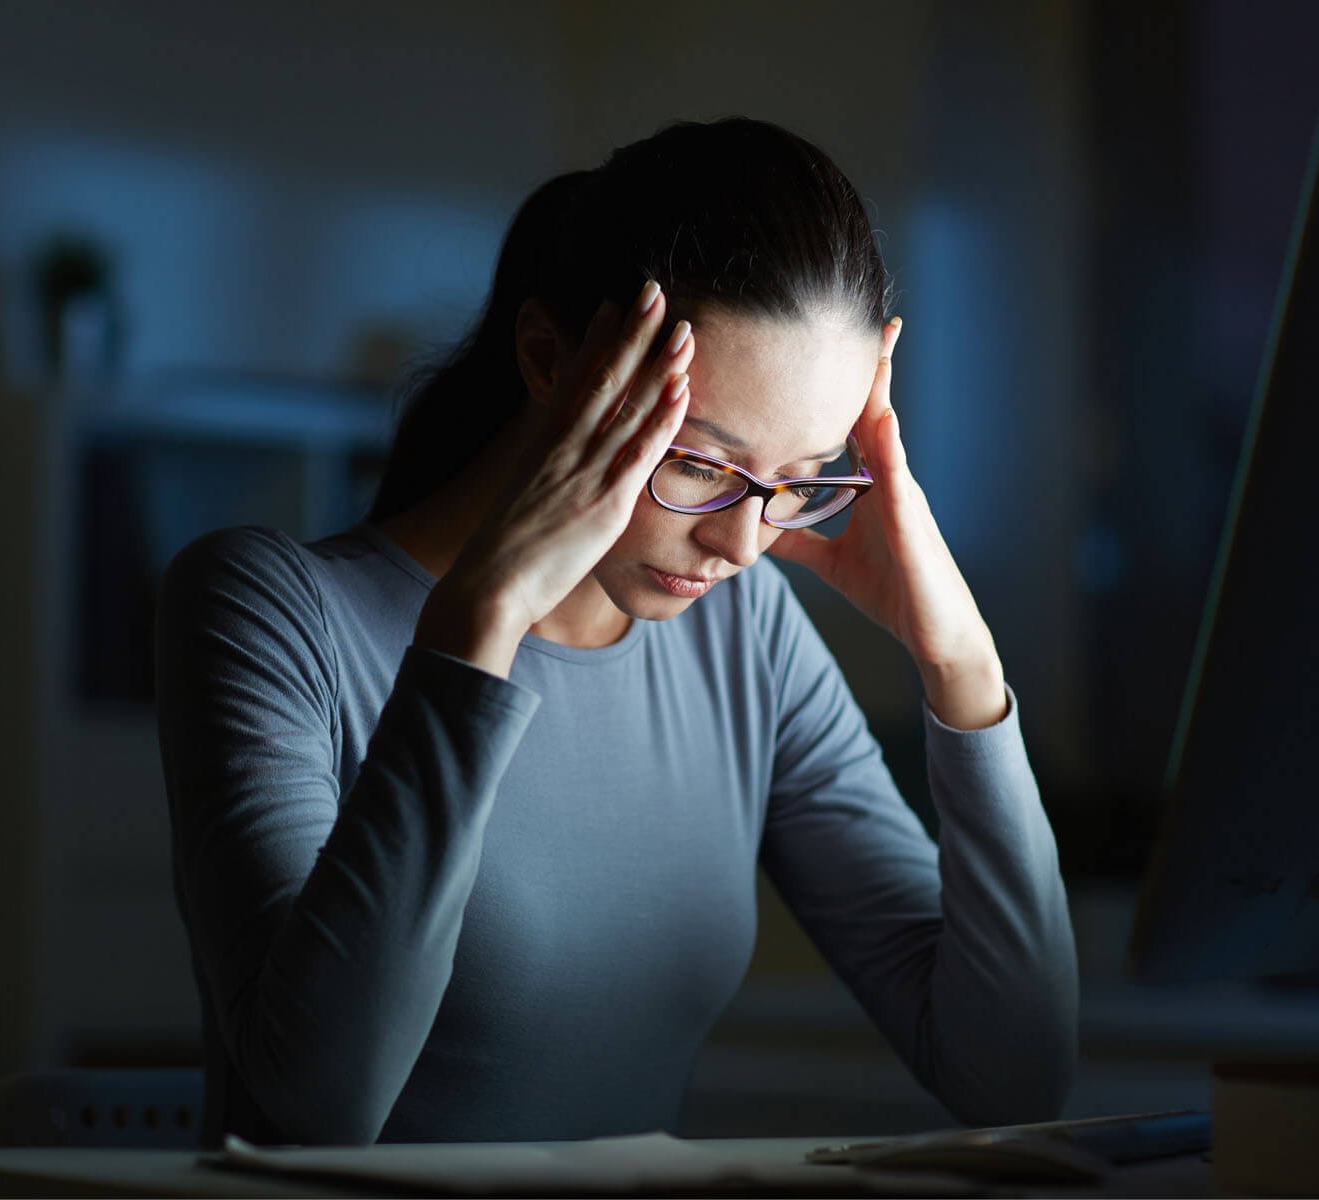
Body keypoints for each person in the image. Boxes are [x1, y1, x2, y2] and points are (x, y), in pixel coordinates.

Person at [155, 117, 1079, 1149]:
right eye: (697, 464)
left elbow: (1014, 1078)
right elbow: (320, 1102)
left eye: (799, 482)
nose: (740, 540)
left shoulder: (745, 635)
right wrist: (479, 627)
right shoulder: (269, 612)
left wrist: (962, 666)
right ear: (552, 360)